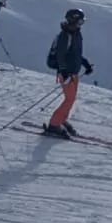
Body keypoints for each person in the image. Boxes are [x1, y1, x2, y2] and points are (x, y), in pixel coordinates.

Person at [44, 7, 92, 137]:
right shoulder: (64, 36)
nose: (81, 24)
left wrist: (85, 64)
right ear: (73, 20)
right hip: (66, 72)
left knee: (71, 98)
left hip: (74, 72)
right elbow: (61, 55)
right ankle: (54, 124)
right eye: (80, 21)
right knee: (69, 99)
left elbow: (75, 54)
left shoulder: (76, 34)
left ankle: (62, 119)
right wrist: (63, 70)